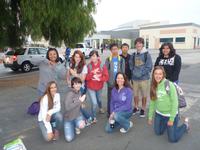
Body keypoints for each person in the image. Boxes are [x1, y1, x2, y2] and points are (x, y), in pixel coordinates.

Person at [148, 66, 189, 143]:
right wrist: (150, 117)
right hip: (159, 114)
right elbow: (152, 102)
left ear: (163, 74)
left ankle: (185, 125)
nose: (158, 76)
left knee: (173, 139)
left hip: (170, 114)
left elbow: (175, 103)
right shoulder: (153, 85)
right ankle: (167, 125)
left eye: (160, 74)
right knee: (158, 132)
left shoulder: (169, 85)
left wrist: (171, 119)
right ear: (153, 74)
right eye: (156, 73)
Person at [66, 50, 92, 124]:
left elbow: (82, 80)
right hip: (72, 88)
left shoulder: (84, 66)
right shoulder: (71, 64)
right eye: (76, 56)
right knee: (74, 104)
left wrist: (75, 73)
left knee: (79, 105)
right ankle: (82, 119)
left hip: (80, 88)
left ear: (81, 58)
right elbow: (67, 76)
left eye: (79, 57)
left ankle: (89, 118)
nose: (77, 58)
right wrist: (68, 82)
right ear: (73, 57)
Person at [129, 37, 153, 117]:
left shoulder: (147, 54)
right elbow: (131, 65)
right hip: (135, 79)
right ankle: (136, 107)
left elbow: (149, 67)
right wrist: (134, 72)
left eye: (140, 43)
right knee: (135, 95)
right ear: (135, 45)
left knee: (144, 95)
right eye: (137, 43)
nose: (138, 44)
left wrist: (140, 73)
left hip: (144, 79)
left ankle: (143, 109)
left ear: (143, 44)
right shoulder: (133, 55)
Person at [86, 50, 109, 122]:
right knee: (94, 103)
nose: (92, 58)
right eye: (91, 56)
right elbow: (86, 78)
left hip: (99, 86)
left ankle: (100, 107)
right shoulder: (88, 66)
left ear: (98, 57)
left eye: (94, 56)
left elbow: (106, 77)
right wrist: (92, 73)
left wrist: (100, 78)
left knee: (99, 99)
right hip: (90, 87)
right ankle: (94, 117)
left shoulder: (102, 65)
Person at [105, 43, 125, 116]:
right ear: (111, 50)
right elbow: (105, 71)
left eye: (116, 49)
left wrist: (122, 83)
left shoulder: (122, 59)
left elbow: (123, 72)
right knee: (110, 99)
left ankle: (118, 112)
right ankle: (110, 112)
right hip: (110, 83)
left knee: (119, 98)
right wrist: (108, 81)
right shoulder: (108, 59)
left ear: (118, 49)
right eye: (113, 49)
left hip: (119, 83)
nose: (115, 51)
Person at [64, 77, 86, 142]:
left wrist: (82, 104)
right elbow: (67, 107)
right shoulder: (70, 94)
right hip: (68, 118)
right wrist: (79, 101)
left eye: (79, 83)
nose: (78, 85)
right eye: (76, 84)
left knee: (82, 125)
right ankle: (73, 124)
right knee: (69, 139)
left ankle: (76, 126)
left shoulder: (79, 92)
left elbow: (78, 102)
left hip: (77, 115)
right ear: (72, 85)